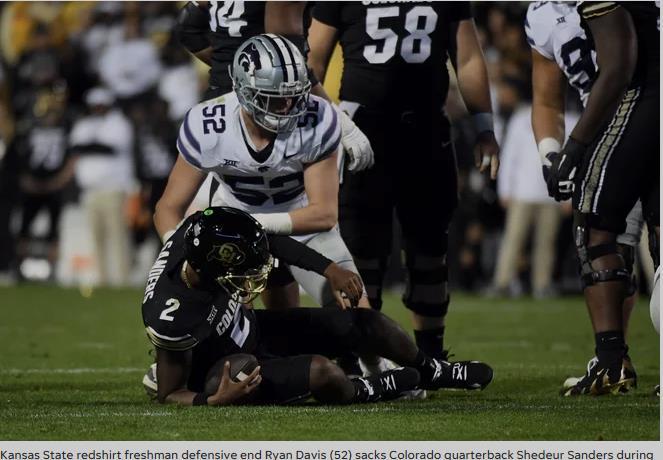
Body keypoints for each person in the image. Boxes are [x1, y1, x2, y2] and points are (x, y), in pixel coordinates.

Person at [141, 206, 493, 405]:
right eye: (242, 270)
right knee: (324, 372)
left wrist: (329, 269)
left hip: (254, 330)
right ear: (213, 269)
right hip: (228, 367)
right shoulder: (171, 313)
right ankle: (364, 389)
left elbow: (272, 243)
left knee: (362, 321)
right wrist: (212, 400)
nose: (251, 276)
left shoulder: (198, 233)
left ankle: (431, 369)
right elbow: (170, 393)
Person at [307, 2, 500, 360]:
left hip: (425, 130)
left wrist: (484, 127)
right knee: (361, 252)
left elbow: (467, 57)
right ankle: (361, 357)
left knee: (429, 250)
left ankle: (431, 357)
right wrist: (329, 126)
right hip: (362, 131)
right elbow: (311, 62)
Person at [539, 1, 659, 396]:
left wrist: (575, 147)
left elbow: (619, 68)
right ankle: (613, 363)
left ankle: (610, 362)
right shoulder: (541, 15)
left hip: (632, 104)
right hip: (631, 104)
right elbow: (545, 98)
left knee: (593, 225)